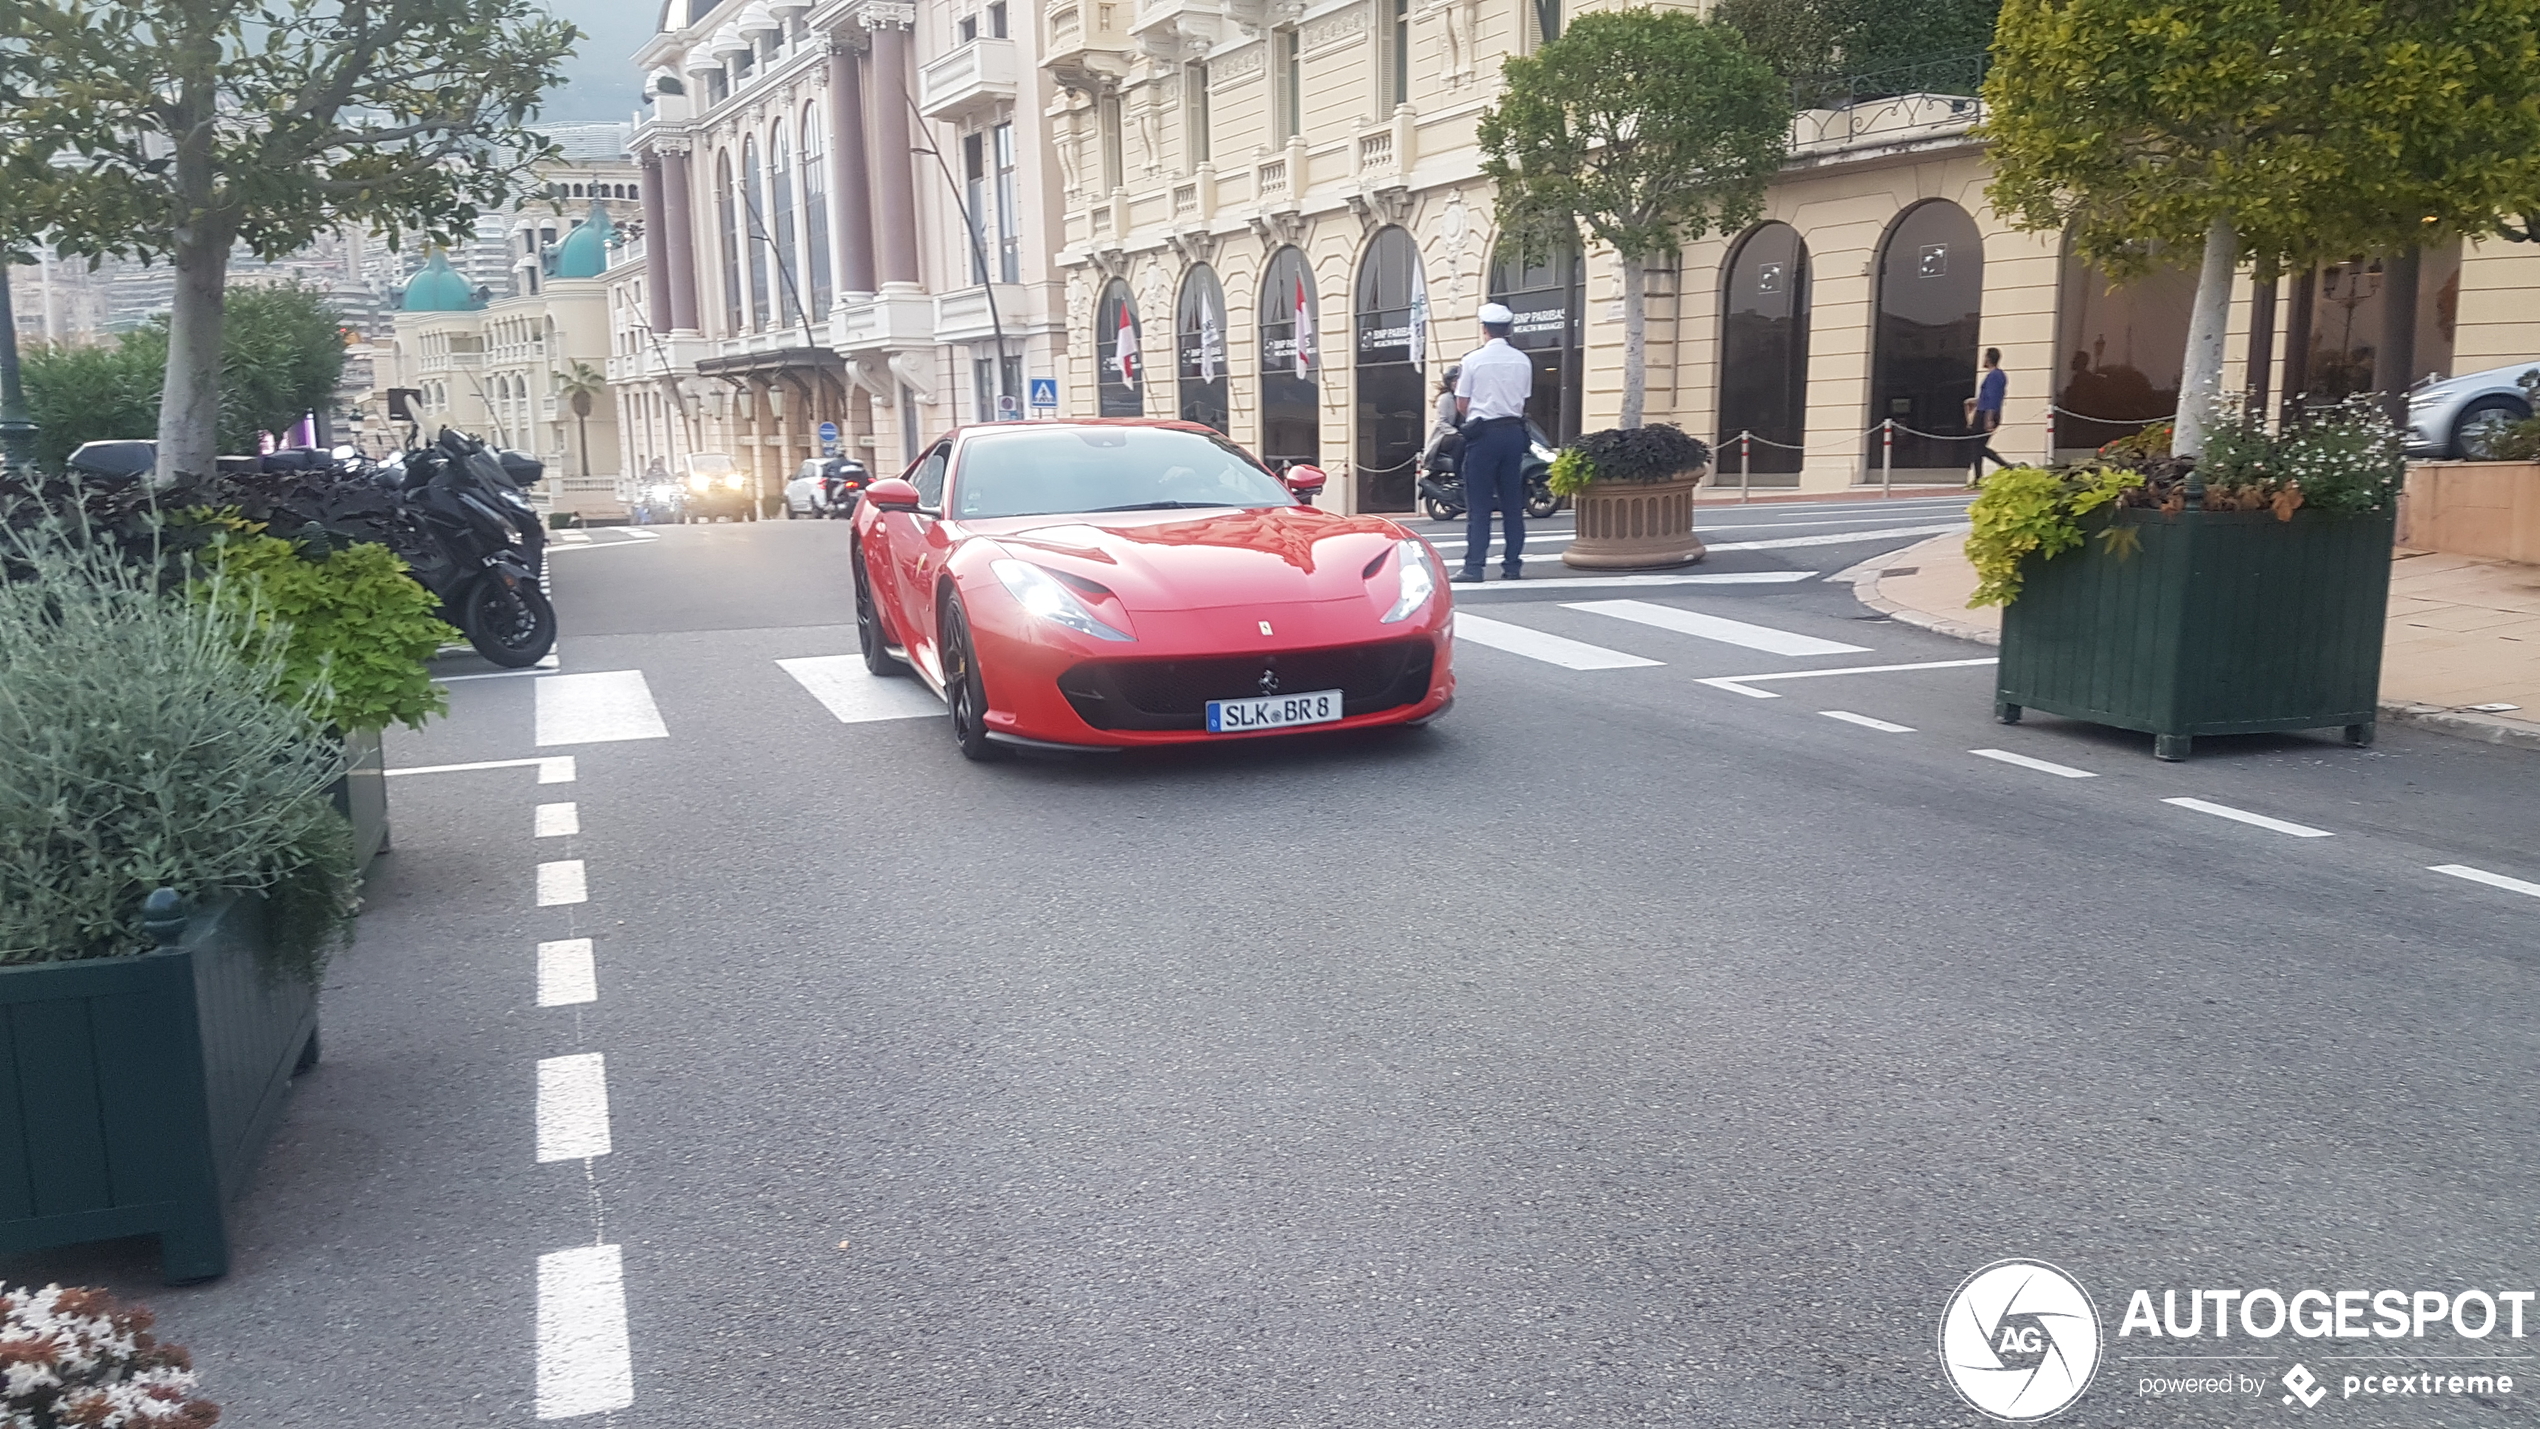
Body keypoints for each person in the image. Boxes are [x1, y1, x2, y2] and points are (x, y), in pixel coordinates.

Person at [1452, 305, 1535, 581]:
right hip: (1513, 433)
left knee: (1479, 503)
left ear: (1484, 329)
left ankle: (1474, 566)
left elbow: (1462, 403)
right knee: (1513, 502)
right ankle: (1512, 565)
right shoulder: (1523, 360)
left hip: (1484, 434)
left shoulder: (1472, 361)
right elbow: (1522, 400)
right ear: (1508, 329)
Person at [1967, 347, 2011, 483]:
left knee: (1977, 446)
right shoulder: (1998, 376)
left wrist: (1989, 418)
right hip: (1985, 411)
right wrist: (1974, 401)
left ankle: (2005, 466)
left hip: (1985, 414)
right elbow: (1989, 397)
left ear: (1989, 358)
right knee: (1978, 446)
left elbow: (1992, 398)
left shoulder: (1994, 376)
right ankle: (1978, 476)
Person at [1419, 364, 1464, 478]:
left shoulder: (1464, 398)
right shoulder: (1446, 398)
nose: (1456, 383)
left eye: (1458, 380)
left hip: (1458, 433)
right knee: (1461, 441)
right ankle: (1459, 473)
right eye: (1453, 381)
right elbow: (1443, 422)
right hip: (1446, 436)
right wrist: (1456, 433)